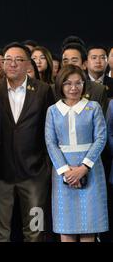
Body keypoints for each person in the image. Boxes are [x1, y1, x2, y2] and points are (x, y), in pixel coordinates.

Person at [0, 42, 55, 242]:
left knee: (36, 230)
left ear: (28, 65)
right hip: (0, 174)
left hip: (35, 174)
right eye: (8, 60)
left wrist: (47, 167)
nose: (12, 64)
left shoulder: (42, 90)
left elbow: (50, 130)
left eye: (18, 60)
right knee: (0, 232)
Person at [45, 64, 108, 241]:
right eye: (67, 83)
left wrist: (84, 168)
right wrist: (66, 171)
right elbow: (50, 143)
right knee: (66, 228)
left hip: (91, 169)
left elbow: (101, 138)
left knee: (90, 228)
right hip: (62, 172)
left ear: (84, 84)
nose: (73, 88)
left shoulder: (93, 107)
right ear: (60, 85)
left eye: (78, 83)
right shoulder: (53, 111)